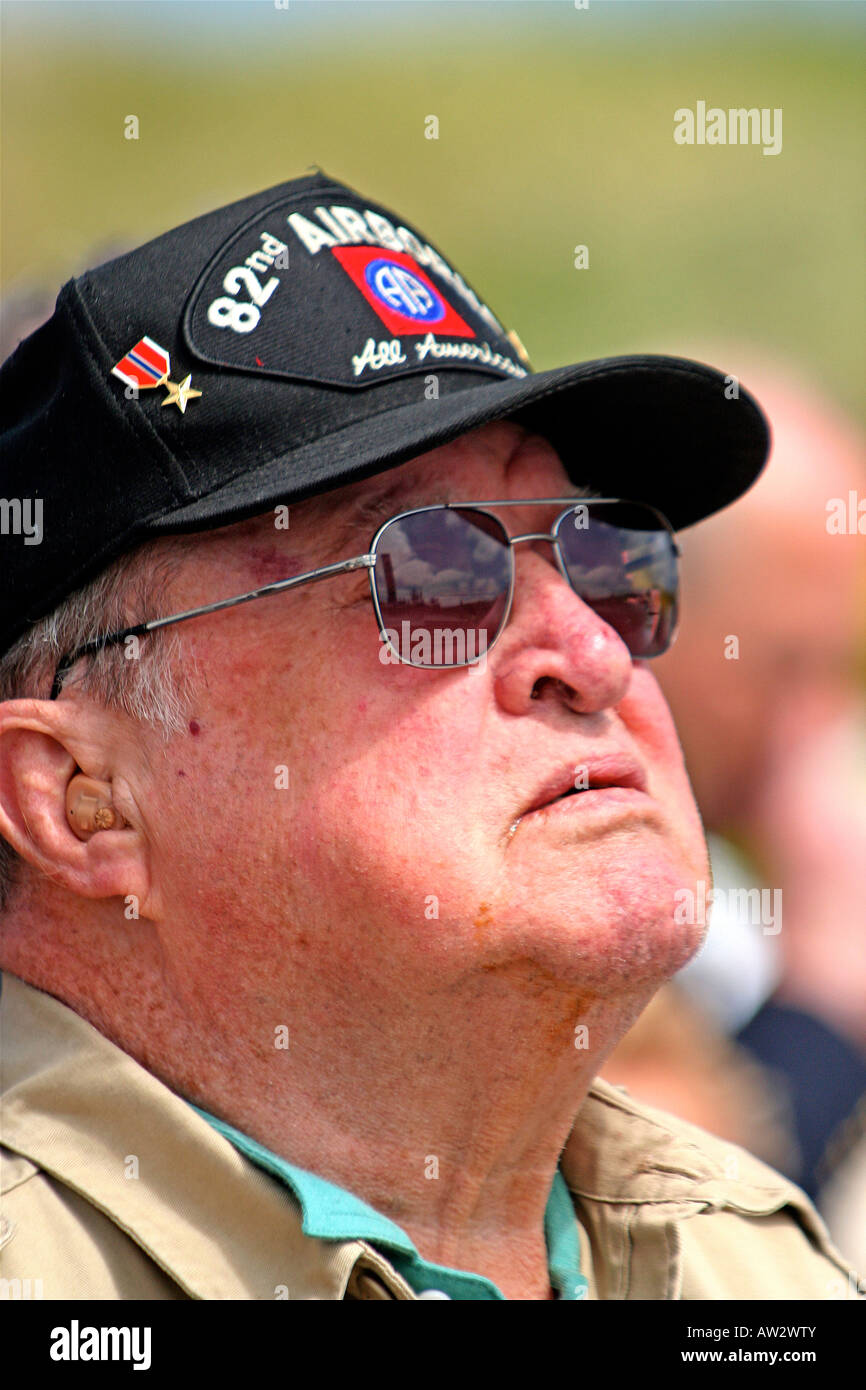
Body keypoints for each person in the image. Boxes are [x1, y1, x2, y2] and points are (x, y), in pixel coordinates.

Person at [0, 171, 859, 1301]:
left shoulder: (757, 1273)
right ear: (80, 795)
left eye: (611, 560)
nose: (594, 654)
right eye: (431, 570)